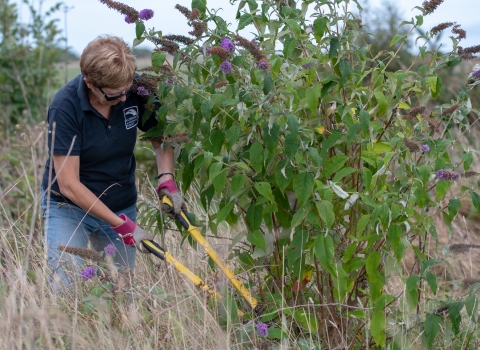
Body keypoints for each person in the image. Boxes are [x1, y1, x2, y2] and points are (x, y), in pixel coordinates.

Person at [41, 35, 185, 287]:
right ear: (89, 83)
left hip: (121, 202)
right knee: (63, 286)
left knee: (121, 289)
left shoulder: (136, 89)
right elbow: (68, 185)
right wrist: (121, 225)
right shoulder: (65, 108)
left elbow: (161, 137)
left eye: (125, 92)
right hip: (69, 208)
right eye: (112, 96)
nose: (121, 100)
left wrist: (166, 178)